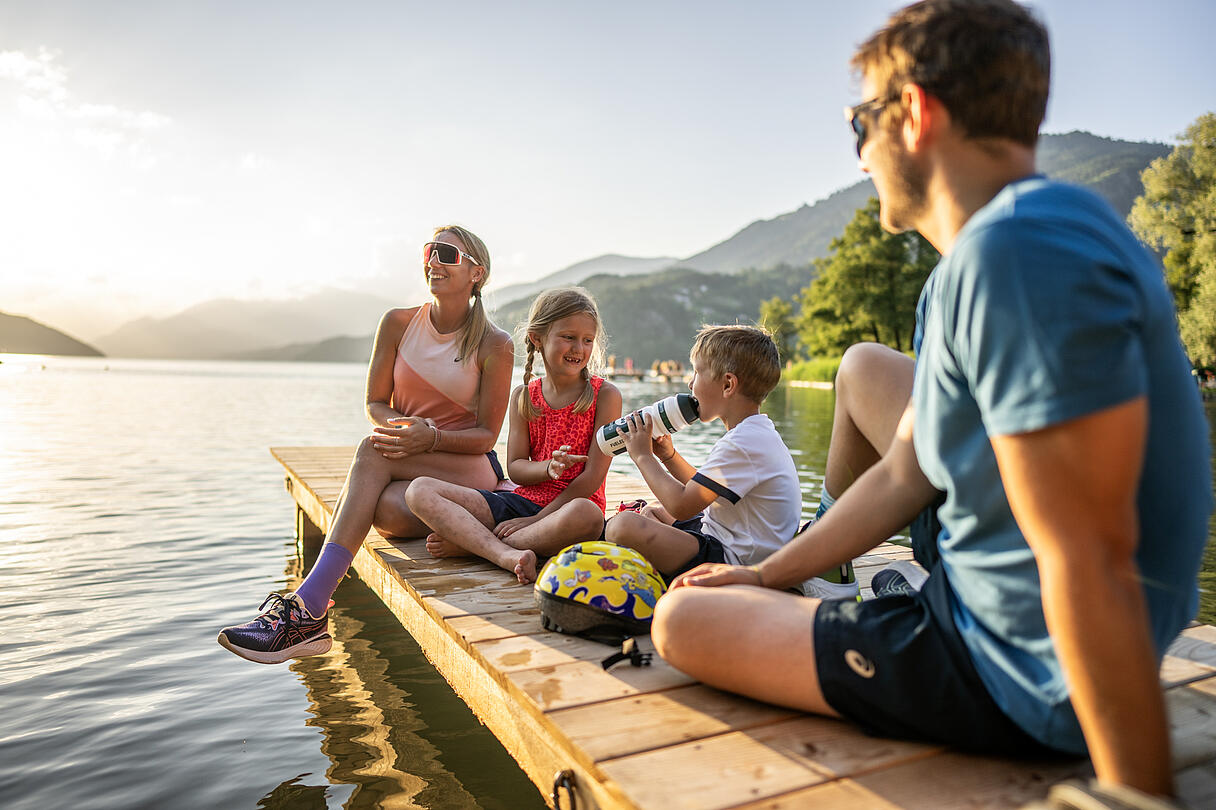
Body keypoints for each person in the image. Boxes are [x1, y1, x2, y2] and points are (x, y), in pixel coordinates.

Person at [651, 1, 1212, 805]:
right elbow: (905, 470)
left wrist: (1132, 793)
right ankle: (840, 579)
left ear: (913, 114)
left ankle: (887, 615)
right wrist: (771, 575)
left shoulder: (1017, 255)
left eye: (859, 126)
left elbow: (1088, 548)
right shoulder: (998, 247)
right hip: (990, 591)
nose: (860, 156)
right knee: (865, 367)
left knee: (682, 625)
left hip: (1017, 666)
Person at [218, 225, 515, 664]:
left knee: (371, 451)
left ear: (477, 272)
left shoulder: (495, 343)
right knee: (385, 511)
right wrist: (404, 431)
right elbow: (375, 403)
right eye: (429, 251)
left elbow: (487, 437)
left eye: (447, 254)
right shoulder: (397, 323)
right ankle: (311, 614)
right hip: (410, 457)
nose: (433, 261)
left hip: (467, 464)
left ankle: (308, 610)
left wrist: (429, 437)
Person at [405, 287, 622, 583]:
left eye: (587, 340)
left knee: (589, 515)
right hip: (520, 504)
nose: (579, 349)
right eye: (568, 337)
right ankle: (503, 550)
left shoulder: (605, 396)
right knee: (419, 490)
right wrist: (548, 468)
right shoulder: (523, 396)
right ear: (537, 338)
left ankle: (477, 547)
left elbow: (592, 479)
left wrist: (536, 520)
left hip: (568, 512)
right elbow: (517, 469)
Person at [605, 325, 801, 582]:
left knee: (623, 526)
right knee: (652, 511)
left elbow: (682, 505)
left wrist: (642, 456)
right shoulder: (755, 433)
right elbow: (704, 490)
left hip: (734, 561)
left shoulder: (743, 443)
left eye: (697, 372)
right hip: (727, 536)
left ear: (728, 384)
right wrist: (669, 456)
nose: (690, 382)